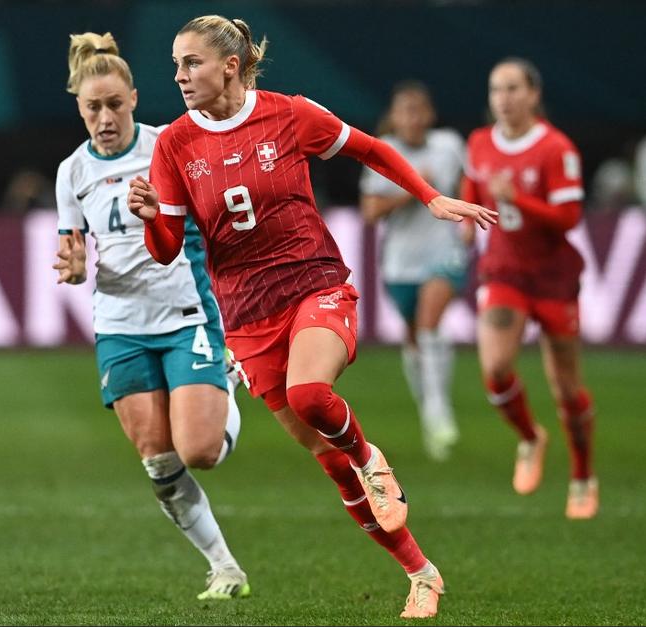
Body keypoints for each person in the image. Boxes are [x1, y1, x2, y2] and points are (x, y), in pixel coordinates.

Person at [127, 15, 495, 619]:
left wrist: (430, 197)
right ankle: (420, 572)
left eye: (191, 63)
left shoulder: (290, 114)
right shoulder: (174, 143)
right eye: (175, 65)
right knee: (330, 464)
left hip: (314, 286)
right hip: (247, 317)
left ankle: (370, 456)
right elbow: (166, 249)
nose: (180, 76)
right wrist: (150, 217)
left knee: (309, 395)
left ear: (230, 66)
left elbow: (371, 148)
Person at [53, 31, 249, 601]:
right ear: (80, 109)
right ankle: (224, 568)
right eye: (93, 108)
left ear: (135, 99)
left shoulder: (170, 145)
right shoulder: (72, 172)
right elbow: (72, 249)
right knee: (161, 464)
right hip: (120, 327)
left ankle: (229, 379)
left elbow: (217, 214)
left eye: (115, 104)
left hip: (186, 312)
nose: (105, 118)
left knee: (200, 452)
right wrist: (72, 267)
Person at [461, 57, 598, 519]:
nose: (503, 98)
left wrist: (517, 199)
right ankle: (530, 437)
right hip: (504, 272)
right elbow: (473, 182)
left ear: (533, 94)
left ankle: (582, 476)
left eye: (513, 88)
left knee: (567, 388)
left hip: (553, 277)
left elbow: (569, 218)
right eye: (496, 89)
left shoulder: (556, 148)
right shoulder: (480, 142)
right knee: (496, 369)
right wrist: (467, 215)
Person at [359, 81, 467, 461]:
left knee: (428, 324)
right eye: (406, 111)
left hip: (444, 252)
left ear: (430, 114)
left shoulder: (449, 145)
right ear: (395, 117)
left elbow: (469, 181)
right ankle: (428, 411)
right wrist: (414, 188)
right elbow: (370, 211)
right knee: (414, 338)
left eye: (419, 110)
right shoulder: (383, 152)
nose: (414, 118)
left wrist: (469, 215)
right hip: (400, 262)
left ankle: (438, 409)